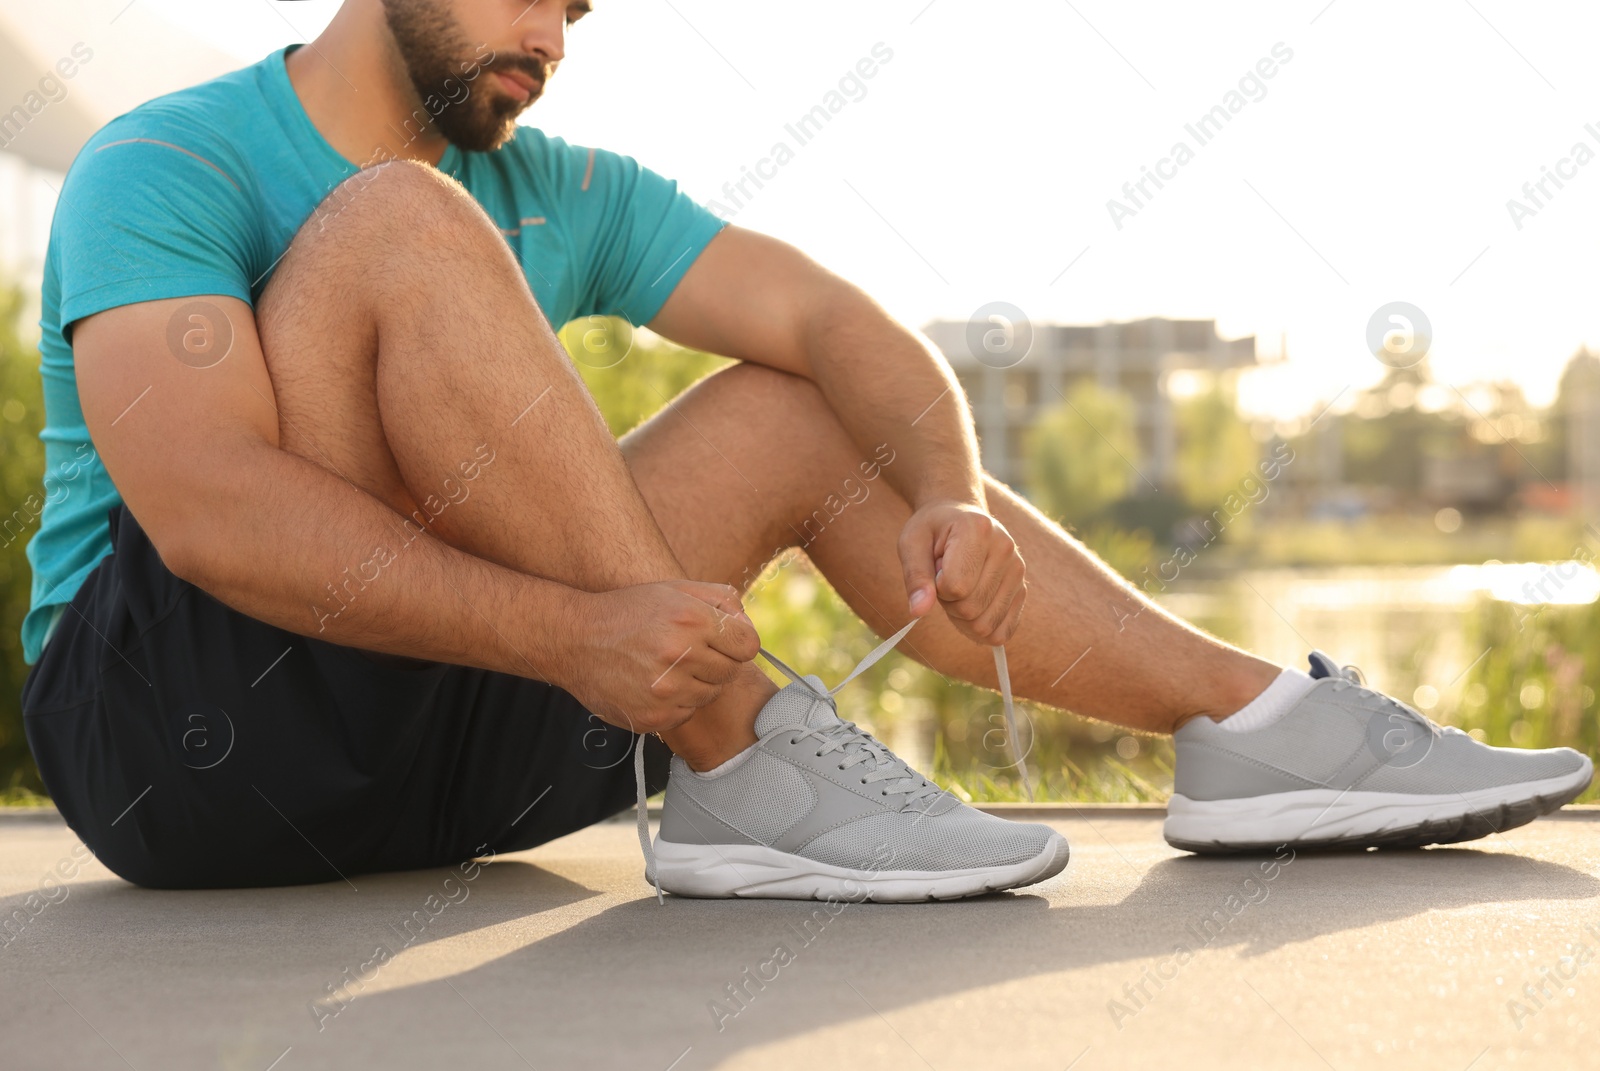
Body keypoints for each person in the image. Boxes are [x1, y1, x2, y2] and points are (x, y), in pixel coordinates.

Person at [20, 0, 1591, 899]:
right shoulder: (168, 159)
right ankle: (740, 747)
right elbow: (213, 515)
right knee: (393, 228)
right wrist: (584, 628)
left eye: (580, 9)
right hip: (183, 750)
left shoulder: (569, 183)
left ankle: (1251, 728)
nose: (562, 28)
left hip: (458, 757)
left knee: (801, 401)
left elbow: (839, 323)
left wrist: (949, 497)